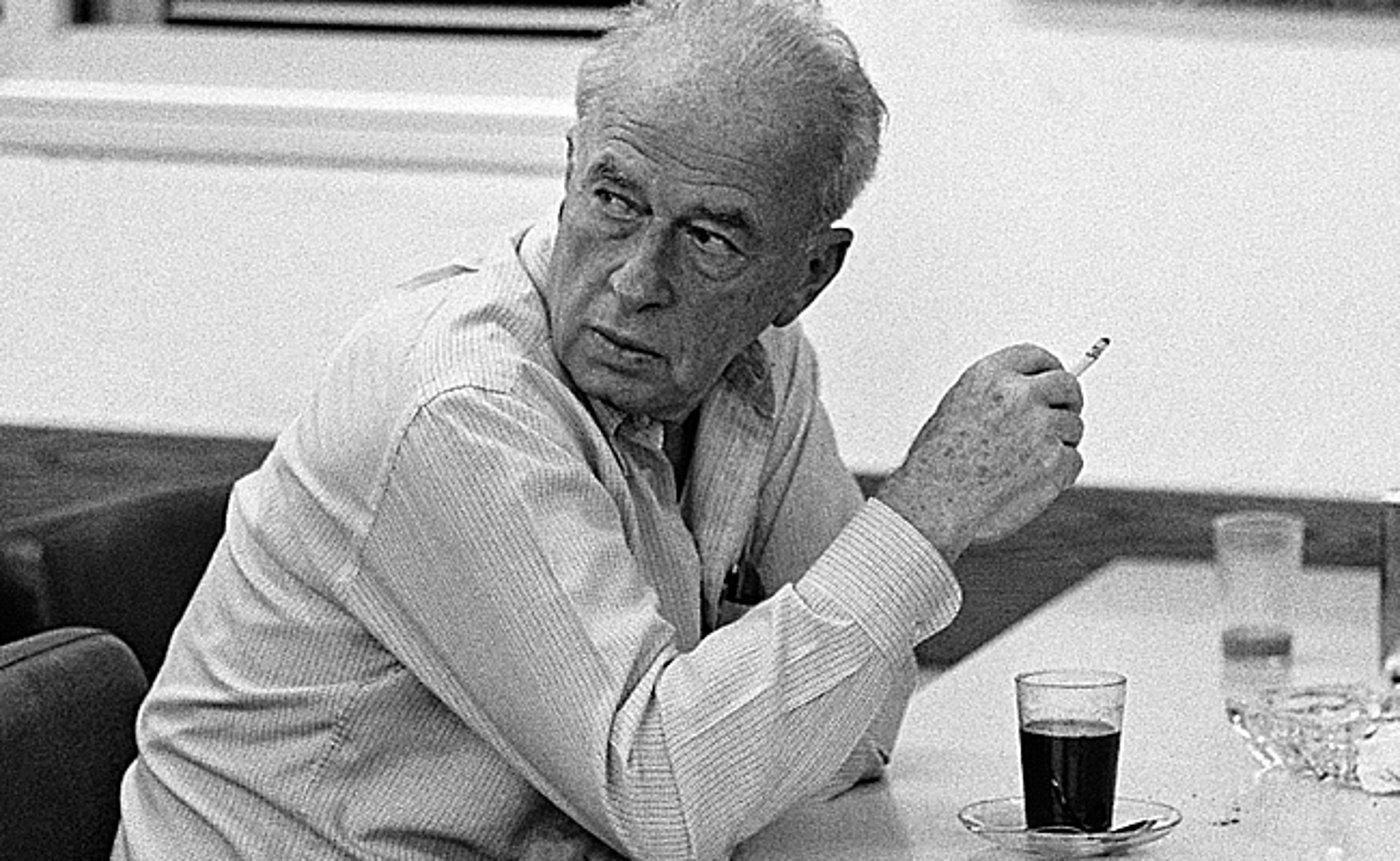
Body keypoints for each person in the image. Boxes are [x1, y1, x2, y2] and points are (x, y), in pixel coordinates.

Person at [112, 1, 1085, 859]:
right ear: (570, 173)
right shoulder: (463, 403)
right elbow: (666, 798)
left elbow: (858, 728)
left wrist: (719, 719)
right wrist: (924, 514)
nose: (634, 280)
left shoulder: (764, 369)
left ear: (806, 277)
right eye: (615, 202)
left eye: (709, 237)